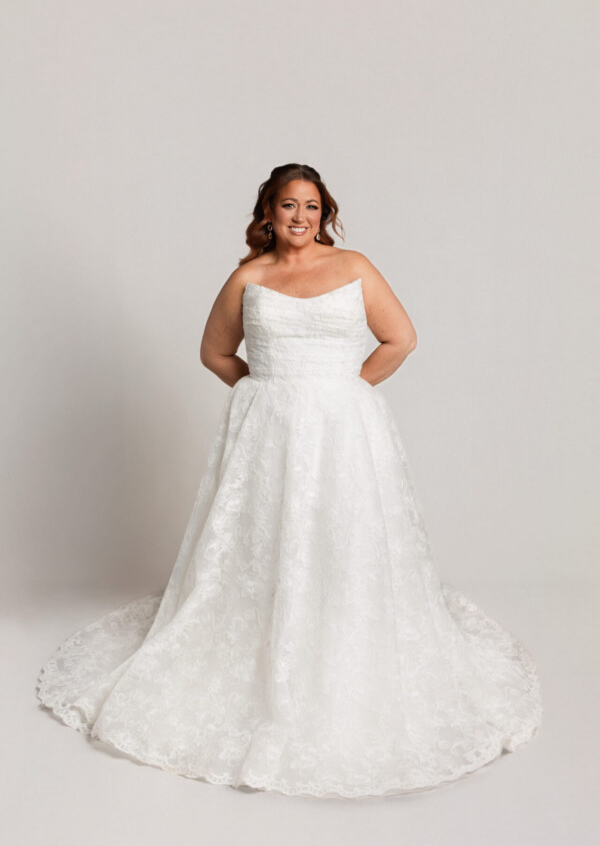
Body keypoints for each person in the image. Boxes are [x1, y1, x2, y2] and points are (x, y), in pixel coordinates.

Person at [36, 162, 543, 800]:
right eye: (287, 205)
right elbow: (215, 353)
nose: (299, 217)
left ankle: (340, 642)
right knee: (266, 537)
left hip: (342, 429)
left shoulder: (354, 266)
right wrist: (266, 392)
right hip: (269, 430)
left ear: (323, 213)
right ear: (268, 213)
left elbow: (401, 339)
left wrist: (342, 391)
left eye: (310, 206)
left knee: (342, 534)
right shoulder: (248, 278)